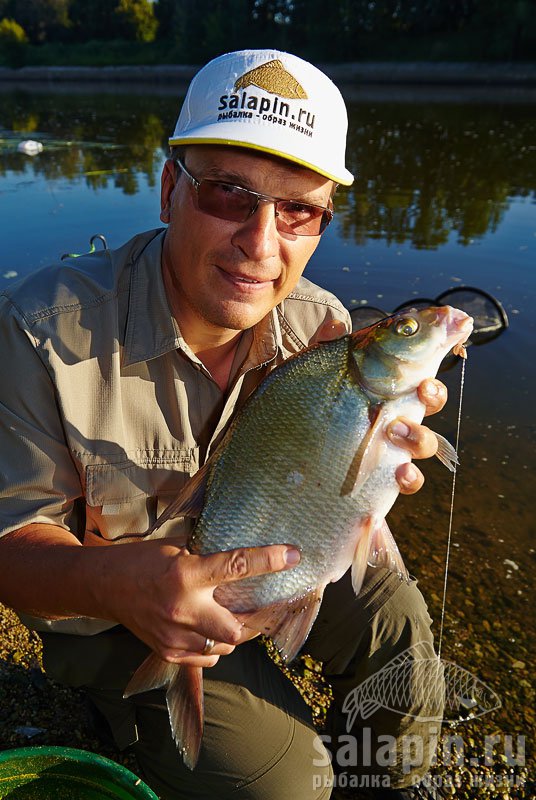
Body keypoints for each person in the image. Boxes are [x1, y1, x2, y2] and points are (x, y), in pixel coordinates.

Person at [0, 50, 446, 798]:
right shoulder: (42, 329)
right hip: (107, 610)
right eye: (229, 196)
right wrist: (116, 587)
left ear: (321, 223)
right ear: (172, 188)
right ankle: (125, 706)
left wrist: (379, 478)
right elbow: (9, 546)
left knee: (397, 628)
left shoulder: (324, 330)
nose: (261, 243)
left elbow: (343, 502)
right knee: (292, 783)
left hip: (279, 550)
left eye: (298, 209)